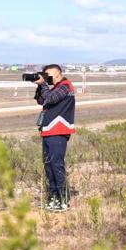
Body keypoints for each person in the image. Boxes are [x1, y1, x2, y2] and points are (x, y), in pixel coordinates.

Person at [34, 64, 75, 212]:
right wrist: (40, 86)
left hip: (58, 131)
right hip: (48, 131)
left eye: (48, 76)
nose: (46, 79)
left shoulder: (65, 86)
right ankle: (53, 199)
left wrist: (44, 84)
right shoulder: (55, 88)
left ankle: (63, 200)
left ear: (57, 75)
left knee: (57, 165)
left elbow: (50, 99)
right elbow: (41, 101)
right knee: (49, 166)